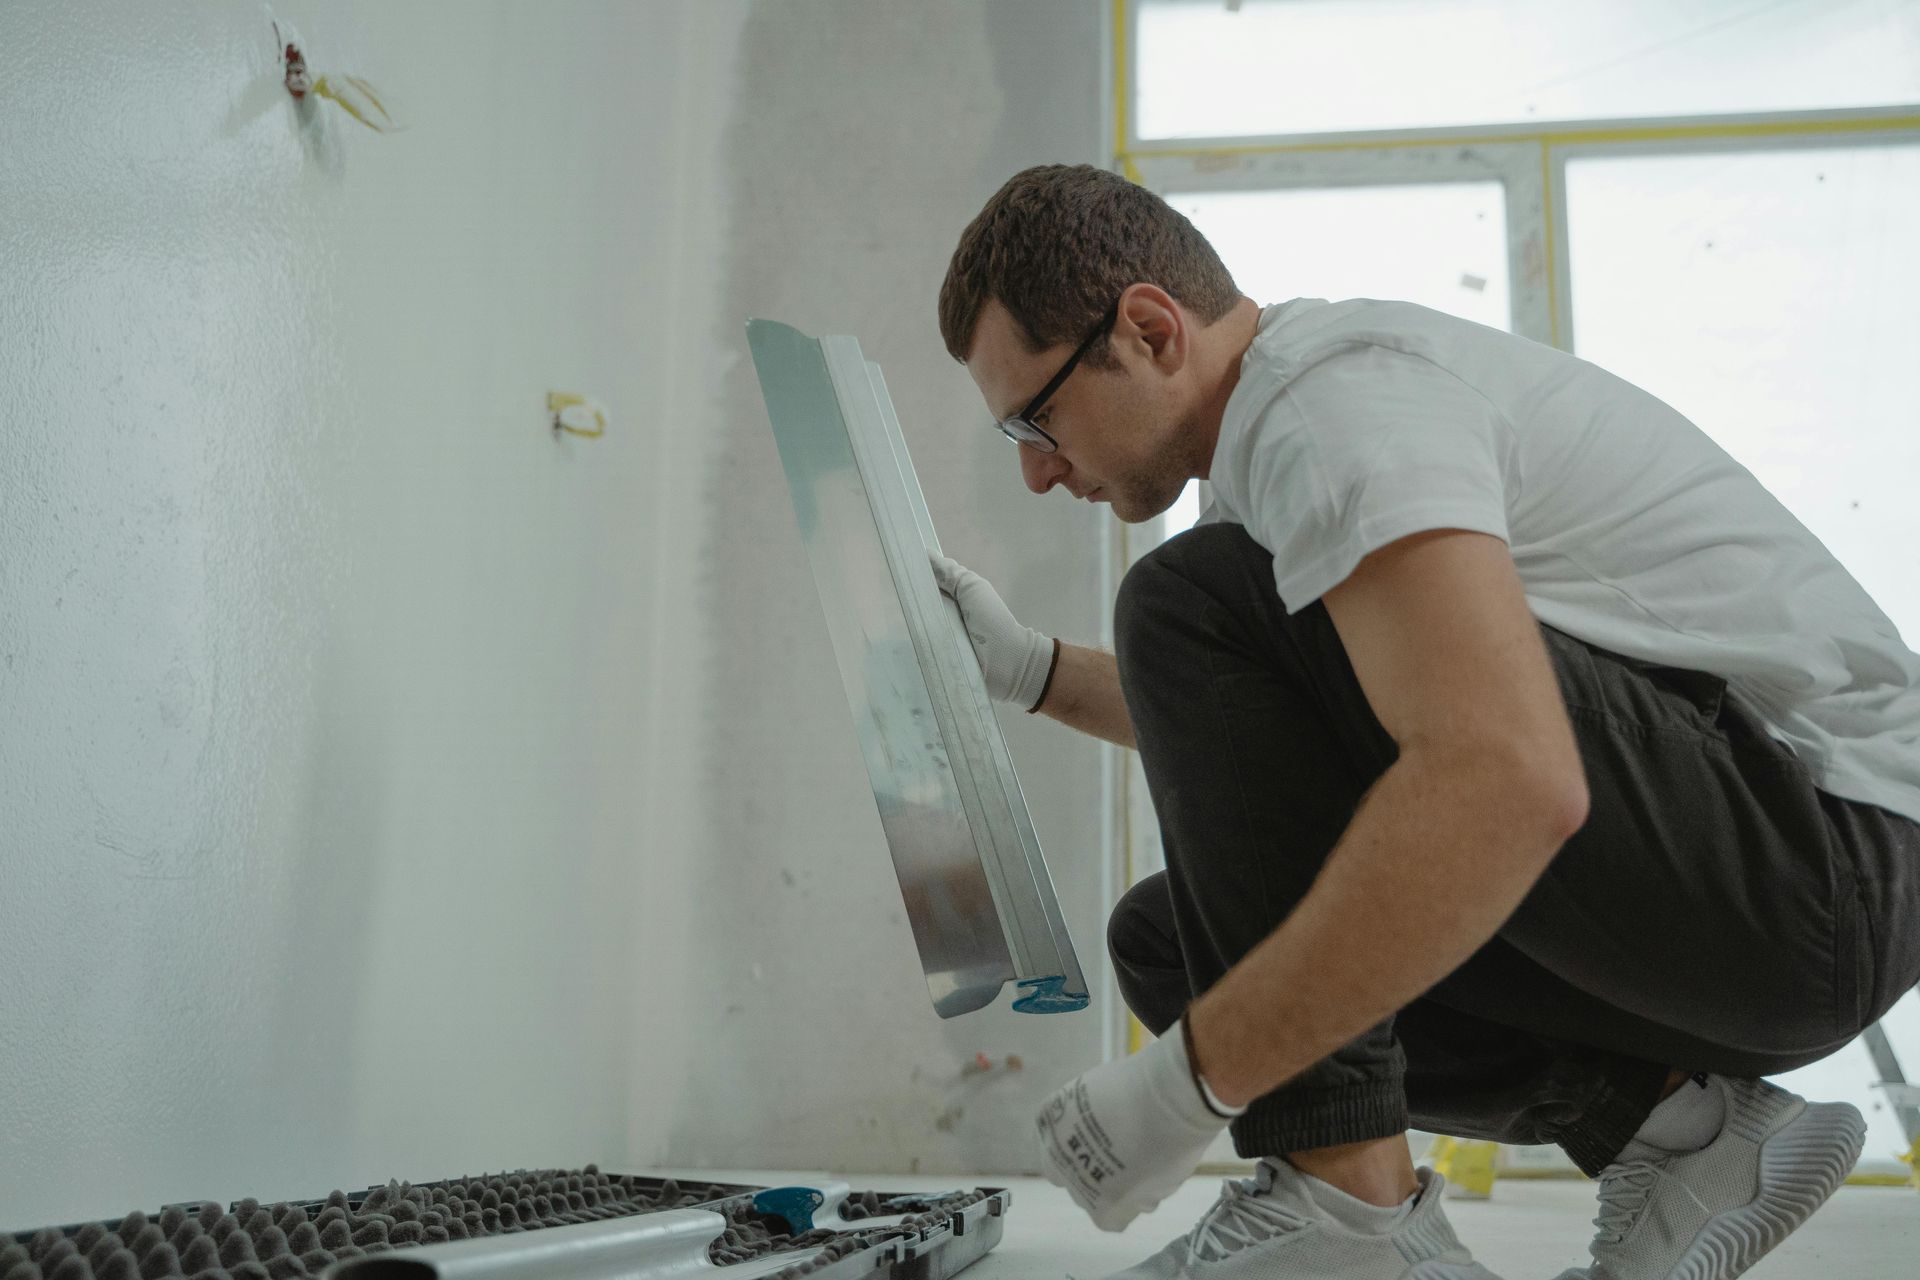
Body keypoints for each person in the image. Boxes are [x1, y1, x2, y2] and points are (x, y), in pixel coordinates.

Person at [929, 163, 1920, 1280]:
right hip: (1745, 891)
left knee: (1187, 602)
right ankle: (1686, 1134)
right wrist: (1032, 674)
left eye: (1035, 413)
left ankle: (1342, 1217)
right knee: (1178, 944)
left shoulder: (1332, 407)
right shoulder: (1274, 466)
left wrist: (1189, 1082)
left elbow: (1508, 773)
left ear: (1152, 328)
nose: (1034, 470)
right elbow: (1299, 748)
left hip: (1825, 857)